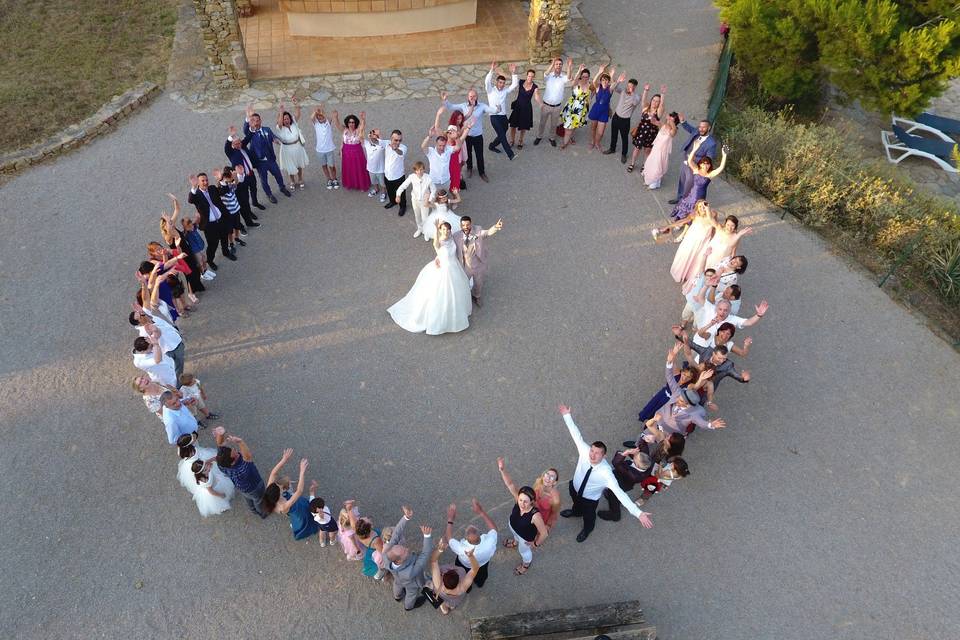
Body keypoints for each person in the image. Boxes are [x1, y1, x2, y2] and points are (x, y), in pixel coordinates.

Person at [557, 405, 654, 542]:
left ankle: (587, 529)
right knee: (576, 504)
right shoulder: (585, 451)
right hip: (575, 487)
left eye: (597, 453)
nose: (592, 455)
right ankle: (575, 511)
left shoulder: (607, 473)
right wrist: (567, 415)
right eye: (592, 450)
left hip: (589, 499)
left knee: (589, 517)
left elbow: (620, 494)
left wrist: (638, 513)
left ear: (603, 456)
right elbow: (575, 434)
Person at [387, 219, 472, 335]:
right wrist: (437, 230)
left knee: (456, 290)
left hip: (454, 267)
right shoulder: (439, 240)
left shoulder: (451, 237)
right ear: (440, 230)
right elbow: (436, 245)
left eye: (447, 229)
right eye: (443, 229)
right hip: (444, 270)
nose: (446, 231)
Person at [496, 458, 549, 575]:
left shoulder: (535, 515)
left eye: (525, 501)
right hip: (514, 528)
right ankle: (515, 542)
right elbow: (510, 484)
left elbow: (544, 533)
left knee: (524, 551)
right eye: (520, 500)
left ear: (532, 501)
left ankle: (526, 564)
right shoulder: (518, 499)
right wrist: (502, 470)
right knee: (515, 536)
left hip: (525, 538)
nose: (521, 504)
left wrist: (535, 544)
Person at [662, 146, 729, 232]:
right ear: (700, 164)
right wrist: (695, 148)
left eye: (708, 163)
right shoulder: (696, 170)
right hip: (690, 195)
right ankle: (677, 223)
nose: (706, 165)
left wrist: (724, 155)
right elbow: (690, 160)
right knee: (683, 210)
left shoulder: (710, 174)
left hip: (700, 199)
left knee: (693, 214)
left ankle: (684, 227)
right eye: (704, 163)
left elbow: (720, 168)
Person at [381, 505, 433, 611]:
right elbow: (425, 554)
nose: (407, 549)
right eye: (404, 551)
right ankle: (408, 606)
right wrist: (427, 536)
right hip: (410, 583)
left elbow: (396, 533)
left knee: (397, 584)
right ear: (399, 560)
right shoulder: (410, 572)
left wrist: (406, 517)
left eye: (403, 547)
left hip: (398, 577)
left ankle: (397, 596)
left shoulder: (387, 554)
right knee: (411, 594)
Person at [213, 426, 268, 518]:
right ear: (233, 461)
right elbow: (248, 456)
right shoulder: (242, 469)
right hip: (255, 487)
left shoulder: (222, 465)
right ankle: (261, 512)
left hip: (243, 489)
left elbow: (220, 445)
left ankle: (253, 510)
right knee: (258, 500)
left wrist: (220, 434)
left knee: (248, 498)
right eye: (233, 452)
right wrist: (240, 442)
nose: (234, 449)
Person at [442, 88, 495, 182]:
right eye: (470, 96)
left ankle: (482, 172)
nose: (472, 98)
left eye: (474, 96)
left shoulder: (482, 106)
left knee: (479, 155)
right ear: (468, 97)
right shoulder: (463, 106)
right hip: (467, 136)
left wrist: (497, 109)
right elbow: (451, 107)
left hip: (478, 135)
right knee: (468, 154)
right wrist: (445, 100)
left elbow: (490, 109)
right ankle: (469, 168)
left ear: (477, 96)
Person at [241, 104, 292, 202]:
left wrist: (275, 140)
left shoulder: (266, 129)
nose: (256, 122)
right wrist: (248, 117)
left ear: (260, 120)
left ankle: (282, 187)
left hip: (270, 159)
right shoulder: (250, 133)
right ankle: (269, 194)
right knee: (264, 180)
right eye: (253, 120)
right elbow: (245, 129)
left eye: (257, 120)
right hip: (260, 162)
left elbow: (272, 136)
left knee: (278, 174)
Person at [444, 499, 498, 589]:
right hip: (483, 564)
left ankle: (467, 589)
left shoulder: (462, 548)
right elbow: (494, 529)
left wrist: (450, 519)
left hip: (464, 565)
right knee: (481, 576)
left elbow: (449, 538)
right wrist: (481, 511)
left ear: (465, 539)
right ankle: (480, 583)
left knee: (463, 577)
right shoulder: (490, 541)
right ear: (481, 535)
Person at [263, 451, 318, 539]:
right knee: (306, 517)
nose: (280, 486)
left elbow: (273, 473)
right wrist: (302, 472)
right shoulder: (283, 506)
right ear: (278, 495)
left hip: (291, 505)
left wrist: (284, 459)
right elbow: (299, 491)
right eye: (280, 488)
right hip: (297, 510)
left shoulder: (270, 490)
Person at [453, 216, 503, 308]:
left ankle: (477, 296)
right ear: (460, 225)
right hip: (465, 266)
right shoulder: (456, 236)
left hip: (478, 265)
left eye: (468, 224)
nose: (466, 227)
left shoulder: (478, 233)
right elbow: (449, 246)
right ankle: (464, 298)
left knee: (478, 283)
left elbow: (487, 233)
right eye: (463, 225)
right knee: (463, 283)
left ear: (471, 224)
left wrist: (495, 227)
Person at [187, 172, 235, 267]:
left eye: (206, 180)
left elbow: (224, 191)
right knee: (213, 244)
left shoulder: (212, 188)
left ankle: (226, 252)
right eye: (203, 181)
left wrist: (221, 180)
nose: (205, 182)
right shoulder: (197, 194)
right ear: (198, 183)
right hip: (209, 225)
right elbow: (190, 200)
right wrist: (193, 187)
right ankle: (210, 260)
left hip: (221, 220)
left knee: (224, 238)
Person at [664, 200, 716, 283]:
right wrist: (669, 226)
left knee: (698, 259)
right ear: (697, 208)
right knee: (686, 256)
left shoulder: (713, 214)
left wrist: (712, 240)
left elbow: (714, 228)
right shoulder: (694, 215)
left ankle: (690, 276)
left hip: (703, 242)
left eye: (703, 206)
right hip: (691, 239)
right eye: (699, 207)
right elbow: (682, 221)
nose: (702, 208)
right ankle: (681, 273)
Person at [669, 117, 718, 205]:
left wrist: (699, 165)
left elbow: (709, 158)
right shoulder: (697, 131)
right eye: (700, 127)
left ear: (709, 128)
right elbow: (690, 128)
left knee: (689, 183)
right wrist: (683, 121)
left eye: (704, 127)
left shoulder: (711, 143)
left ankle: (684, 201)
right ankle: (679, 197)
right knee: (682, 179)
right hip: (685, 159)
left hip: (695, 165)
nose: (701, 129)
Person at [426, 539, 479, 614]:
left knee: (442, 601)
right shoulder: (462, 587)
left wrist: (440, 550)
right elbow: (475, 569)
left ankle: (444, 608)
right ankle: (451, 606)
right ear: (459, 580)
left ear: (443, 578)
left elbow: (433, 561)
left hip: (440, 594)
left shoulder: (438, 583)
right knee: (452, 604)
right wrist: (471, 556)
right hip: (454, 600)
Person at [693, 297, 768, 349]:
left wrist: (758, 315)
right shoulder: (711, 309)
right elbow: (700, 298)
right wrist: (707, 285)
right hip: (696, 342)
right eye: (720, 309)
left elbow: (749, 322)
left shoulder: (733, 319)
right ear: (716, 308)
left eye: (725, 310)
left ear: (729, 311)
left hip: (710, 349)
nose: (722, 312)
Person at [421, 116, 467, 193]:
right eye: (440, 145)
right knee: (434, 199)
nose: (442, 147)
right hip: (434, 181)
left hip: (446, 181)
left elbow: (458, 146)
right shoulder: (431, 152)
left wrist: (456, 138)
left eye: (443, 145)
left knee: (445, 196)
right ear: (436, 144)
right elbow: (423, 146)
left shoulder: (448, 150)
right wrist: (429, 136)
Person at [535, 57, 573, 147]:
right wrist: (552, 64)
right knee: (542, 123)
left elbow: (569, 77)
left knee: (553, 124)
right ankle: (539, 136)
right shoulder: (549, 76)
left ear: (562, 66)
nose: (558, 66)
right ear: (554, 65)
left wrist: (569, 66)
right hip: (546, 105)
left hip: (557, 106)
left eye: (560, 64)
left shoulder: (563, 77)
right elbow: (545, 73)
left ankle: (552, 138)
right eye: (556, 64)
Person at [484, 61, 519, 159]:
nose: (502, 84)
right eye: (500, 82)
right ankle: (510, 154)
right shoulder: (490, 90)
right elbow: (487, 81)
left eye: (503, 83)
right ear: (496, 82)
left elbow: (514, 84)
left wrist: (513, 73)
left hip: (503, 116)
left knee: (502, 132)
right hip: (494, 116)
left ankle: (492, 145)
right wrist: (491, 70)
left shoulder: (505, 91)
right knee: (502, 136)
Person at [604, 76, 643, 163]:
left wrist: (632, 93)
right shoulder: (622, 91)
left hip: (625, 121)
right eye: (628, 86)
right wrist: (618, 81)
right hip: (616, 117)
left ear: (635, 87)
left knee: (624, 138)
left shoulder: (637, 96)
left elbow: (635, 103)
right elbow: (612, 88)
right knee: (614, 134)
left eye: (631, 87)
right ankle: (612, 148)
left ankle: (624, 154)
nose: (628, 88)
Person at [224, 130, 265, 209]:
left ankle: (255, 202)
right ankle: (249, 211)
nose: (238, 145)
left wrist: (252, 129)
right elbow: (226, 147)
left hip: (251, 173)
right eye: (236, 144)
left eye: (239, 143)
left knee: (254, 189)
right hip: (243, 177)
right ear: (232, 145)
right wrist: (230, 137)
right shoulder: (231, 153)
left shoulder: (242, 146)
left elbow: (248, 138)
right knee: (245, 195)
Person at [344, 501, 385, 580]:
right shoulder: (376, 540)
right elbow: (382, 552)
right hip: (375, 550)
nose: (366, 517)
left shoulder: (356, 529)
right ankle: (380, 574)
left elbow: (350, 514)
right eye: (367, 520)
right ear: (369, 528)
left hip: (368, 548)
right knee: (379, 563)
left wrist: (349, 507)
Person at [274, 99, 309, 190]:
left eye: (287, 118)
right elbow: (280, 122)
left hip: (297, 147)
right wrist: (281, 112)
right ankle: (292, 181)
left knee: (299, 164)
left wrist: (296, 103)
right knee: (290, 166)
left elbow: (298, 113)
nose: (286, 120)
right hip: (287, 149)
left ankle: (300, 179)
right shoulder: (280, 128)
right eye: (284, 119)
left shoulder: (294, 124)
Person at [628, 84, 665, 170]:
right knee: (636, 149)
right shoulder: (645, 108)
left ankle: (644, 165)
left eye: (657, 101)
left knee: (647, 151)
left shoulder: (658, 112)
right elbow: (643, 100)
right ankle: (632, 164)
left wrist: (662, 94)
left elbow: (662, 104)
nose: (655, 102)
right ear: (651, 100)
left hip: (651, 134)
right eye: (654, 100)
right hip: (641, 132)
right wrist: (646, 90)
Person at [396, 161, 437, 238]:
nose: (419, 172)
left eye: (421, 169)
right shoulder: (412, 177)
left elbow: (433, 190)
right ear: (415, 171)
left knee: (425, 217)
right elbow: (403, 186)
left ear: (424, 169)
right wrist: (398, 195)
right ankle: (419, 229)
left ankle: (426, 232)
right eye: (417, 170)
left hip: (425, 200)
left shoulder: (428, 178)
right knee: (417, 216)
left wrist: (429, 200)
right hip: (415, 200)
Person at [331, 111, 370, 192]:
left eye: (353, 122)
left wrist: (363, 119)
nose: (351, 124)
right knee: (349, 168)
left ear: (355, 123)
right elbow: (337, 124)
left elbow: (362, 126)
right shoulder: (344, 130)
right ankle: (350, 183)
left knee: (358, 168)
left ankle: (361, 184)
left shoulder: (358, 130)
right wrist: (336, 117)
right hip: (346, 152)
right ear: (347, 123)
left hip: (357, 152)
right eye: (349, 122)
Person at [642, 111, 680, 189]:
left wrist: (671, 121)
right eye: (669, 117)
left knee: (657, 167)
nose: (669, 120)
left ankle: (654, 184)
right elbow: (653, 121)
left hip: (662, 151)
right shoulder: (663, 125)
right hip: (656, 148)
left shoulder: (674, 130)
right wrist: (652, 115)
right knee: (651, 164)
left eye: (672, 119)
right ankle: (652, 181)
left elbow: (674, 129)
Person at [559, 64, 593, 149]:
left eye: (587, 77)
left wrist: (587, 106)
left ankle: (569, 137)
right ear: (581, 76)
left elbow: (590, 97)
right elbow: (573, 82)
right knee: (568, 127)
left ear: (589, 77)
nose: (585, 78)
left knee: (574, 125)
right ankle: (565, 142)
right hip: (571, 107)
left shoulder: (590, 85)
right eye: (583, 76)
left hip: (581, 109)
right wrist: (579, 70)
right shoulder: (577, 83)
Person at [586, 65, 617, 152]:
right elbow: (594, 81)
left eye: (606, 80)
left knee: (600, 132)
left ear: (608, 81)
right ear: (601, 81)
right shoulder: (597, 87)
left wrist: (612, 75)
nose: (604, 81)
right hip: (595, 110)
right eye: (603, 80)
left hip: (604, 112)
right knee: (593, 128)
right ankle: (593, 141)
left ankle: (597, 142)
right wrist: (599, 72)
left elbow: (614, 83)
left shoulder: (610, 89)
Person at [508, 69, 541, 149]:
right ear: (527, 76)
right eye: (529, 76)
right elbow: (511, 77)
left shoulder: (535, 87)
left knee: (523, 127)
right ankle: (512, 140)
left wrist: (540, 103)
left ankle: (520, 141)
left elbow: (536, 96)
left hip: (526, 109)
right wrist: (511, 72)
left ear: (534, 77)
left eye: (532, 76)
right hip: (518, 107)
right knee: (513, 125)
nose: (530, 78)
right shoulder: (521, 82)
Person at [310, 105, 340, 190]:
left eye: (321, 116)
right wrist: (315, 112)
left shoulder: (328, 122)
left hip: (329, 149)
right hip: (320, 150)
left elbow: (329, 117)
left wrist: (322, 112)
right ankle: (328, 179)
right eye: (318, 116)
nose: (320, 117)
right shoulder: (315, 124)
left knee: (332, 166)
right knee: (324, 166)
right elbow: (311, 117)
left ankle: (334, 179)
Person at [382, 130, 408, 214]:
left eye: (400, 140)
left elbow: (400, 153)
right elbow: (376, 142)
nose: (398, 142)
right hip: (387, 175)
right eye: (396, 140)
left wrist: (396, 149)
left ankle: (402, 206)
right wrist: (372, 137)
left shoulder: (403, 148)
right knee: (390, 191)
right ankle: (393, 202)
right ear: (391, 138)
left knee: (401, 193)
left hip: (399, 176)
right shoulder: (386, 143)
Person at [363, 127, 388, 203]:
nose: (373, 135)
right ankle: (376, 189)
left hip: (380, 170)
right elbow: (360, 137)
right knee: (374, 181)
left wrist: (378, 135)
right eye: (372, 134)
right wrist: (363, 121)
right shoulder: (367, 144)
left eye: (375, 135)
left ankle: (384, 192)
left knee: (382, 183)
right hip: (371, 169)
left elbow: (381, 141)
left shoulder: (381, 146)